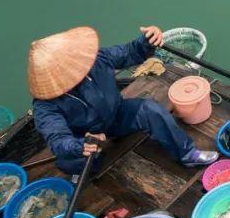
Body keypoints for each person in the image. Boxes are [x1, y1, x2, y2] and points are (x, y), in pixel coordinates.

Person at [28, 25, 218, 175]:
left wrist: (147, 41)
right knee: (72, 162)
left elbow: (129, 52)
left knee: (151, 110)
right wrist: (81, 145)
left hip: (117, 114)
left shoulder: (96, 59)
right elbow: (57, 139)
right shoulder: (44, 105)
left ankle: (187, 153)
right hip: (86, 137)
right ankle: (91, 170)